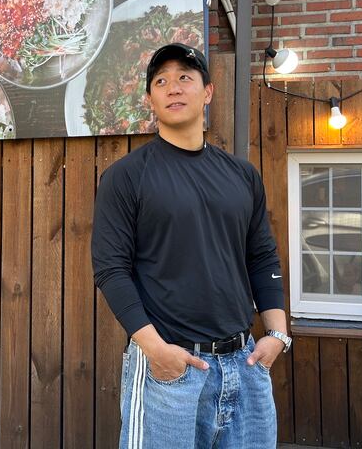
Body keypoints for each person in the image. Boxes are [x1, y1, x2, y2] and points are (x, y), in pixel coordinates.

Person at [91, 43, 291, 449]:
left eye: (185, 77)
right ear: (150, 100)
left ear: (208, 92)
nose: (173, 88)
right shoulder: (126, 177)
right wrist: (155, 349)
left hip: (245, 363)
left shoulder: (242, 175)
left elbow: (262, 256)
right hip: (170, 370)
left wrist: (277, 334)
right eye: (161, 81)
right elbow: (111, 269)